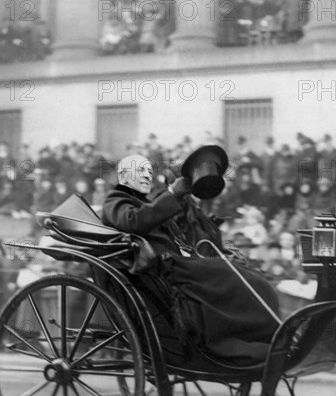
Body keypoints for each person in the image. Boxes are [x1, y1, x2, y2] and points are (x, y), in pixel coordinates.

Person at [102, 153, 279, 363]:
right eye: (140, 171)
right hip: (161, 270)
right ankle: (231, 342)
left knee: (244, 273)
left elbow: (173, 232)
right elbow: (134, 222)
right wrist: (172, 194)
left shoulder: (144, 202)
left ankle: (263, 336)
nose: (147, 176)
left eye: (149, 171)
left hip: (175, 263)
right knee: (226, 273)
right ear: (122, 176)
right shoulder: (115, 201)